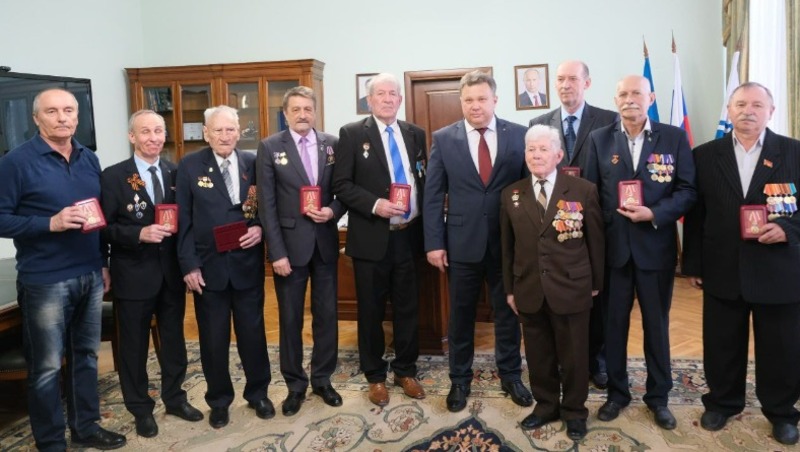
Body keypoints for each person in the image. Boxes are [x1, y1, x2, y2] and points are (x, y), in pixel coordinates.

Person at [0, 88, 126, 451]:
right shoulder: (15, 162)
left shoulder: (89, 158)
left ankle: (86, 428)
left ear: (77, 116)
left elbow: (98, 217)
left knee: (86, 357)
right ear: (36, 118)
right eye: (52, 111)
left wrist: (102, 262)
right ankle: (51, 441)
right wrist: (49, 223)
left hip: (89, 274)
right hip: (45, 280)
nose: (62, 118)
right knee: (47, 367)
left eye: (69, 110)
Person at [683, 82, 800, 446]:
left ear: (771, 111)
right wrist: (693, 264)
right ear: (729, 110)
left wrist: (788, 229)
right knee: (722, 344)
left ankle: (781, 412)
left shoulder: (794, 152)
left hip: (779, 268)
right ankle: (722, 402)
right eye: (741, 104)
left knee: (781, 347)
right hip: (723, 267)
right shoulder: (705, 155)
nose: (748, 111)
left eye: (757, 105)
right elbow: (696, 215)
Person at [585, 75, 696, 430]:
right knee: (613, 327)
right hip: (614, 253)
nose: (629, 99)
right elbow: (589, 194)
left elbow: (687, 190)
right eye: (623, 94)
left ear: (651, 97)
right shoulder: (599, 138)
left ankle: (658, 397)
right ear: (615, 99)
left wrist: (654, 213)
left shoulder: (673, 137)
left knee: (656, 326)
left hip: (655, 248)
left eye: (636, 93)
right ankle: (617, 394)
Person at [424, 70, 533, 413]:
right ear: (461, 102)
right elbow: (432, 195)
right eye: (468, 100)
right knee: (460, 316)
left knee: (508, 314)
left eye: (482, 99)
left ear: (494, 100)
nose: (475, 105)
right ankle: (459, 379)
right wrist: (434, 243)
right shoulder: (444, 139)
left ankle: (511, 375)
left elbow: (528, 192)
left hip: (506, 245)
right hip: (461, 244)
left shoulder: (519, 135)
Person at [100, 110, 203, 438]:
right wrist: (138, 234)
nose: (154, 138)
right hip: (133, 275)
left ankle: (175, 399)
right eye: (145, 132)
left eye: (159, 131)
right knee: (133, 347)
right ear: (132, 136)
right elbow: (103, 227)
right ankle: (140, 409)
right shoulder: (114, 176)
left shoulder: (176, 172)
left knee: (173, 342)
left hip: (171, 274)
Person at [500, 124, 604, 440]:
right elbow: (507, 247)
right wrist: (510, 289)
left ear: (558, 155)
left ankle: (574, 411)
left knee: (574, 356)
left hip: (572, 287)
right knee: (538, 354)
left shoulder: (583, 190)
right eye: (531, 149)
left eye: (543, 149)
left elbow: (596, 242)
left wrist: (595, 283)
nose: (536, 155)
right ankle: (546, 406)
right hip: (529, 287)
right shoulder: (511, 194)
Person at [332, 73, 427, 407]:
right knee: (371, 311)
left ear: (400, 99)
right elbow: (341, 185)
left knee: (408, 308)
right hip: (372, 237)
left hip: (409, 236)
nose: (387, 99)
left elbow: (422, 176)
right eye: (380, 94)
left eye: (393, 94)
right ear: (369, 100)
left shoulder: (415, 134)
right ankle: (374, 375)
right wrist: (375, 204)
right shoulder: (352, 133)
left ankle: (405, 370)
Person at [176, 105, 272, 428]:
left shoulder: (252, 162)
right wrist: (189, 266)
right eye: (217, 130)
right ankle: (219, 400)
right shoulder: (190, 165)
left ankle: (258, 393)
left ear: (239, 132)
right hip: (208, 269)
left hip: (247, 266)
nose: (224, 135)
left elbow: (263, 207)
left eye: (230, 129)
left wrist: (259, 228)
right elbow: (183, 221)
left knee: (253, 335)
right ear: (206, 133)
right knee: (213, 340)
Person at [256, 87, 346, 416]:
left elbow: (343, 190)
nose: (302, 114)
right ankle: (295, 385)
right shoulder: (269, 147)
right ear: (286, 113)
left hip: (324, 244)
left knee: (327, 316)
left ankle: (322, 379)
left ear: (315, 111)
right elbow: (266, 204)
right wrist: (276, 253)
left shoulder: (332, 144)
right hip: (289, 250)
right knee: (290, 319)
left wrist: (333, 211)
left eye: (308, 108)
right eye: (296, 109)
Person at [530, 60, 618, 390]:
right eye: (560, 79)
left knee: (596, 299)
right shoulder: (539, 122)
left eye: (572, 79)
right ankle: (561, 361)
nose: (566, 85)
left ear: (587, 83)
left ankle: (598, 362)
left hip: (594, 224)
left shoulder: (608, 120)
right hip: (554, 229)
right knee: (559, 301)